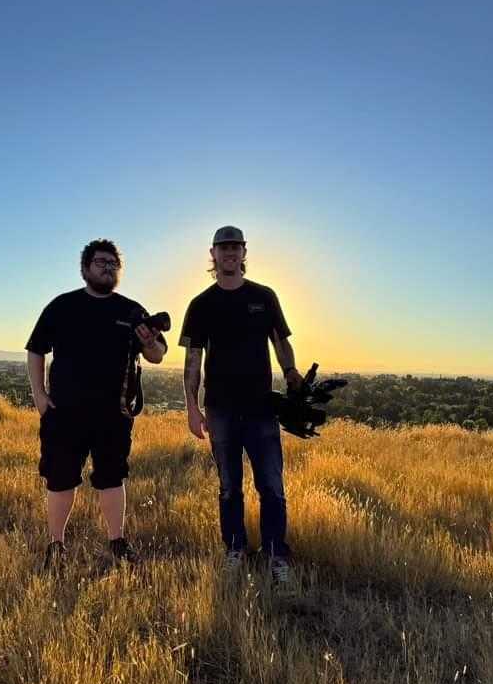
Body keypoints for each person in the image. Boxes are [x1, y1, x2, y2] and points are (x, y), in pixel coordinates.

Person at [26, 238, 167, 572]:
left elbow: (158, 355)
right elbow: (35, 350)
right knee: (60, 480)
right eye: (101, 262)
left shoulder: (131, 310)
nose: (108, 268)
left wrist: (148, 341)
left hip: (113, 414)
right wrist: (39, 396)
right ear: (85, 268)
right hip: (65, 413)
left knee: (112, 478)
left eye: (113, 264)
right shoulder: (62, 306)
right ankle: (56, 545)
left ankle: (117, 541)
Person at [180, 225, 303, 583]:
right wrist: (192, 407)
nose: (230, 253)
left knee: (271, 486)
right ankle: (235, 549)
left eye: (236, 247)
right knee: (229, 486)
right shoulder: (201, 304)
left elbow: (280, 340)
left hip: (262, 408)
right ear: (213, 254)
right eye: (224, 248)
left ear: (244, 253)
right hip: (220, 409)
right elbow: (193, 361)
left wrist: (291, 371)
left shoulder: (264, 297)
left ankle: (276, 554)